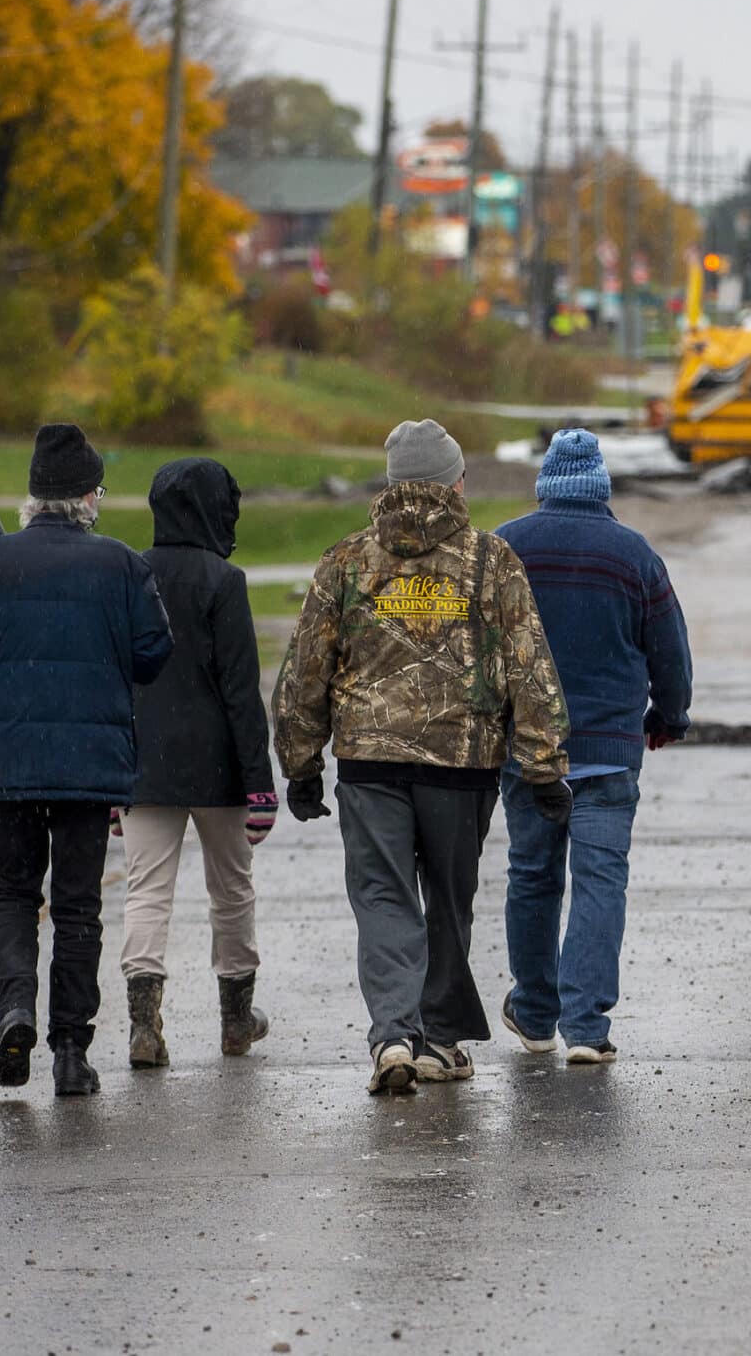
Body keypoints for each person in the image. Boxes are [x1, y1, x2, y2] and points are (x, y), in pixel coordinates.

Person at [272, 419, 572, 1095]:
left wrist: (300, 761)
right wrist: (545, 763)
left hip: (369, 762)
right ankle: (437, 1038)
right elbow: (529, 667)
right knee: (448, 897)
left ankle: (393, 1035)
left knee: (382, 898)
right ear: (455, 483)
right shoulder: (491, 561)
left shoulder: (346, 562)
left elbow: (304, 675)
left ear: (389, 481)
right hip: (460, 767)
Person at [0, 423, 174, 1096]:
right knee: (78, 907)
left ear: (32, 496)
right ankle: (70, 1050)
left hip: (8, 764)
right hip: (90, 767)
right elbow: (154, 653)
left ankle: (15, 1006)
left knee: (11, 894)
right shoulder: (122, 564)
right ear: (89, 496)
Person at [495, 430, 693, 1066]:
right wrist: (669, 715)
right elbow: (670, 649)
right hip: (608, 749)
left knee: (532, 876)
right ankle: (586, 1027)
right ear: (601, 485)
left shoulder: (506, 546)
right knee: (600, 879)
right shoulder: (633, 553)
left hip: (528, 750)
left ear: (545, 483)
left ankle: (533, 1014)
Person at [116, 458, 277, 1071]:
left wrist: (114, 774)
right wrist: (259, 785)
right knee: (231, 890)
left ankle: (143, 1022)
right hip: (218, 767)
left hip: (144, 764)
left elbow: (120, 678)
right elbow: (240, 691)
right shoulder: (223, 580)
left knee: (146, 891)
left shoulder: (132, 573)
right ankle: (236, 1020)